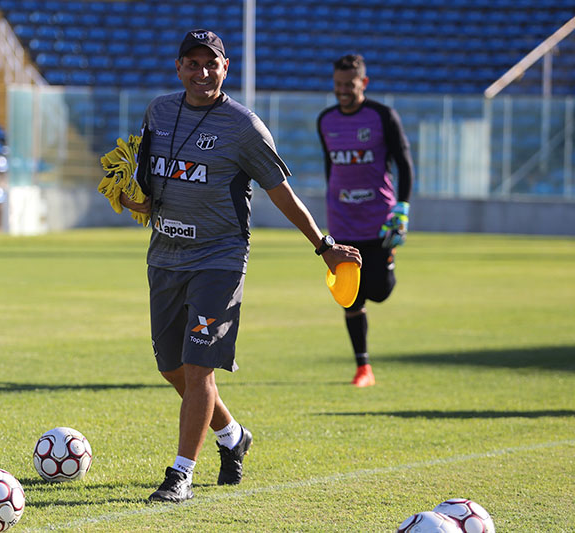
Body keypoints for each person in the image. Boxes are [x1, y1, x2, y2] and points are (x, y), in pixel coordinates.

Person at [118, 30, 362, 503]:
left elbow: (281, 193)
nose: (202, 72)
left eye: (211, 64)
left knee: (198, 367)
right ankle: (233, 436)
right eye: (192, 63)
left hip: (219, 260)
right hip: (164, 257)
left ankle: (180, 475)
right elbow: (152, 185)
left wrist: (324, 245)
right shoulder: (159, 112)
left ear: (225, 68)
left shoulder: (244, 127)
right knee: (171, 366)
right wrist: (132, 198)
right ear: (179, 68)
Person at [316, 54, 415, 388]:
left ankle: (388, 263)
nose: (343, 91)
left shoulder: (382, 116)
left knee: (380, 291)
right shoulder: (326, 120)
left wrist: (402, 209)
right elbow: (332, 169)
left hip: (379, 221)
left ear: (364, 83)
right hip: (343, 224)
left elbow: (403, 162)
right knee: (350, 297)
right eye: (338, 85)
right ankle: (363, 368)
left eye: (350, 85)